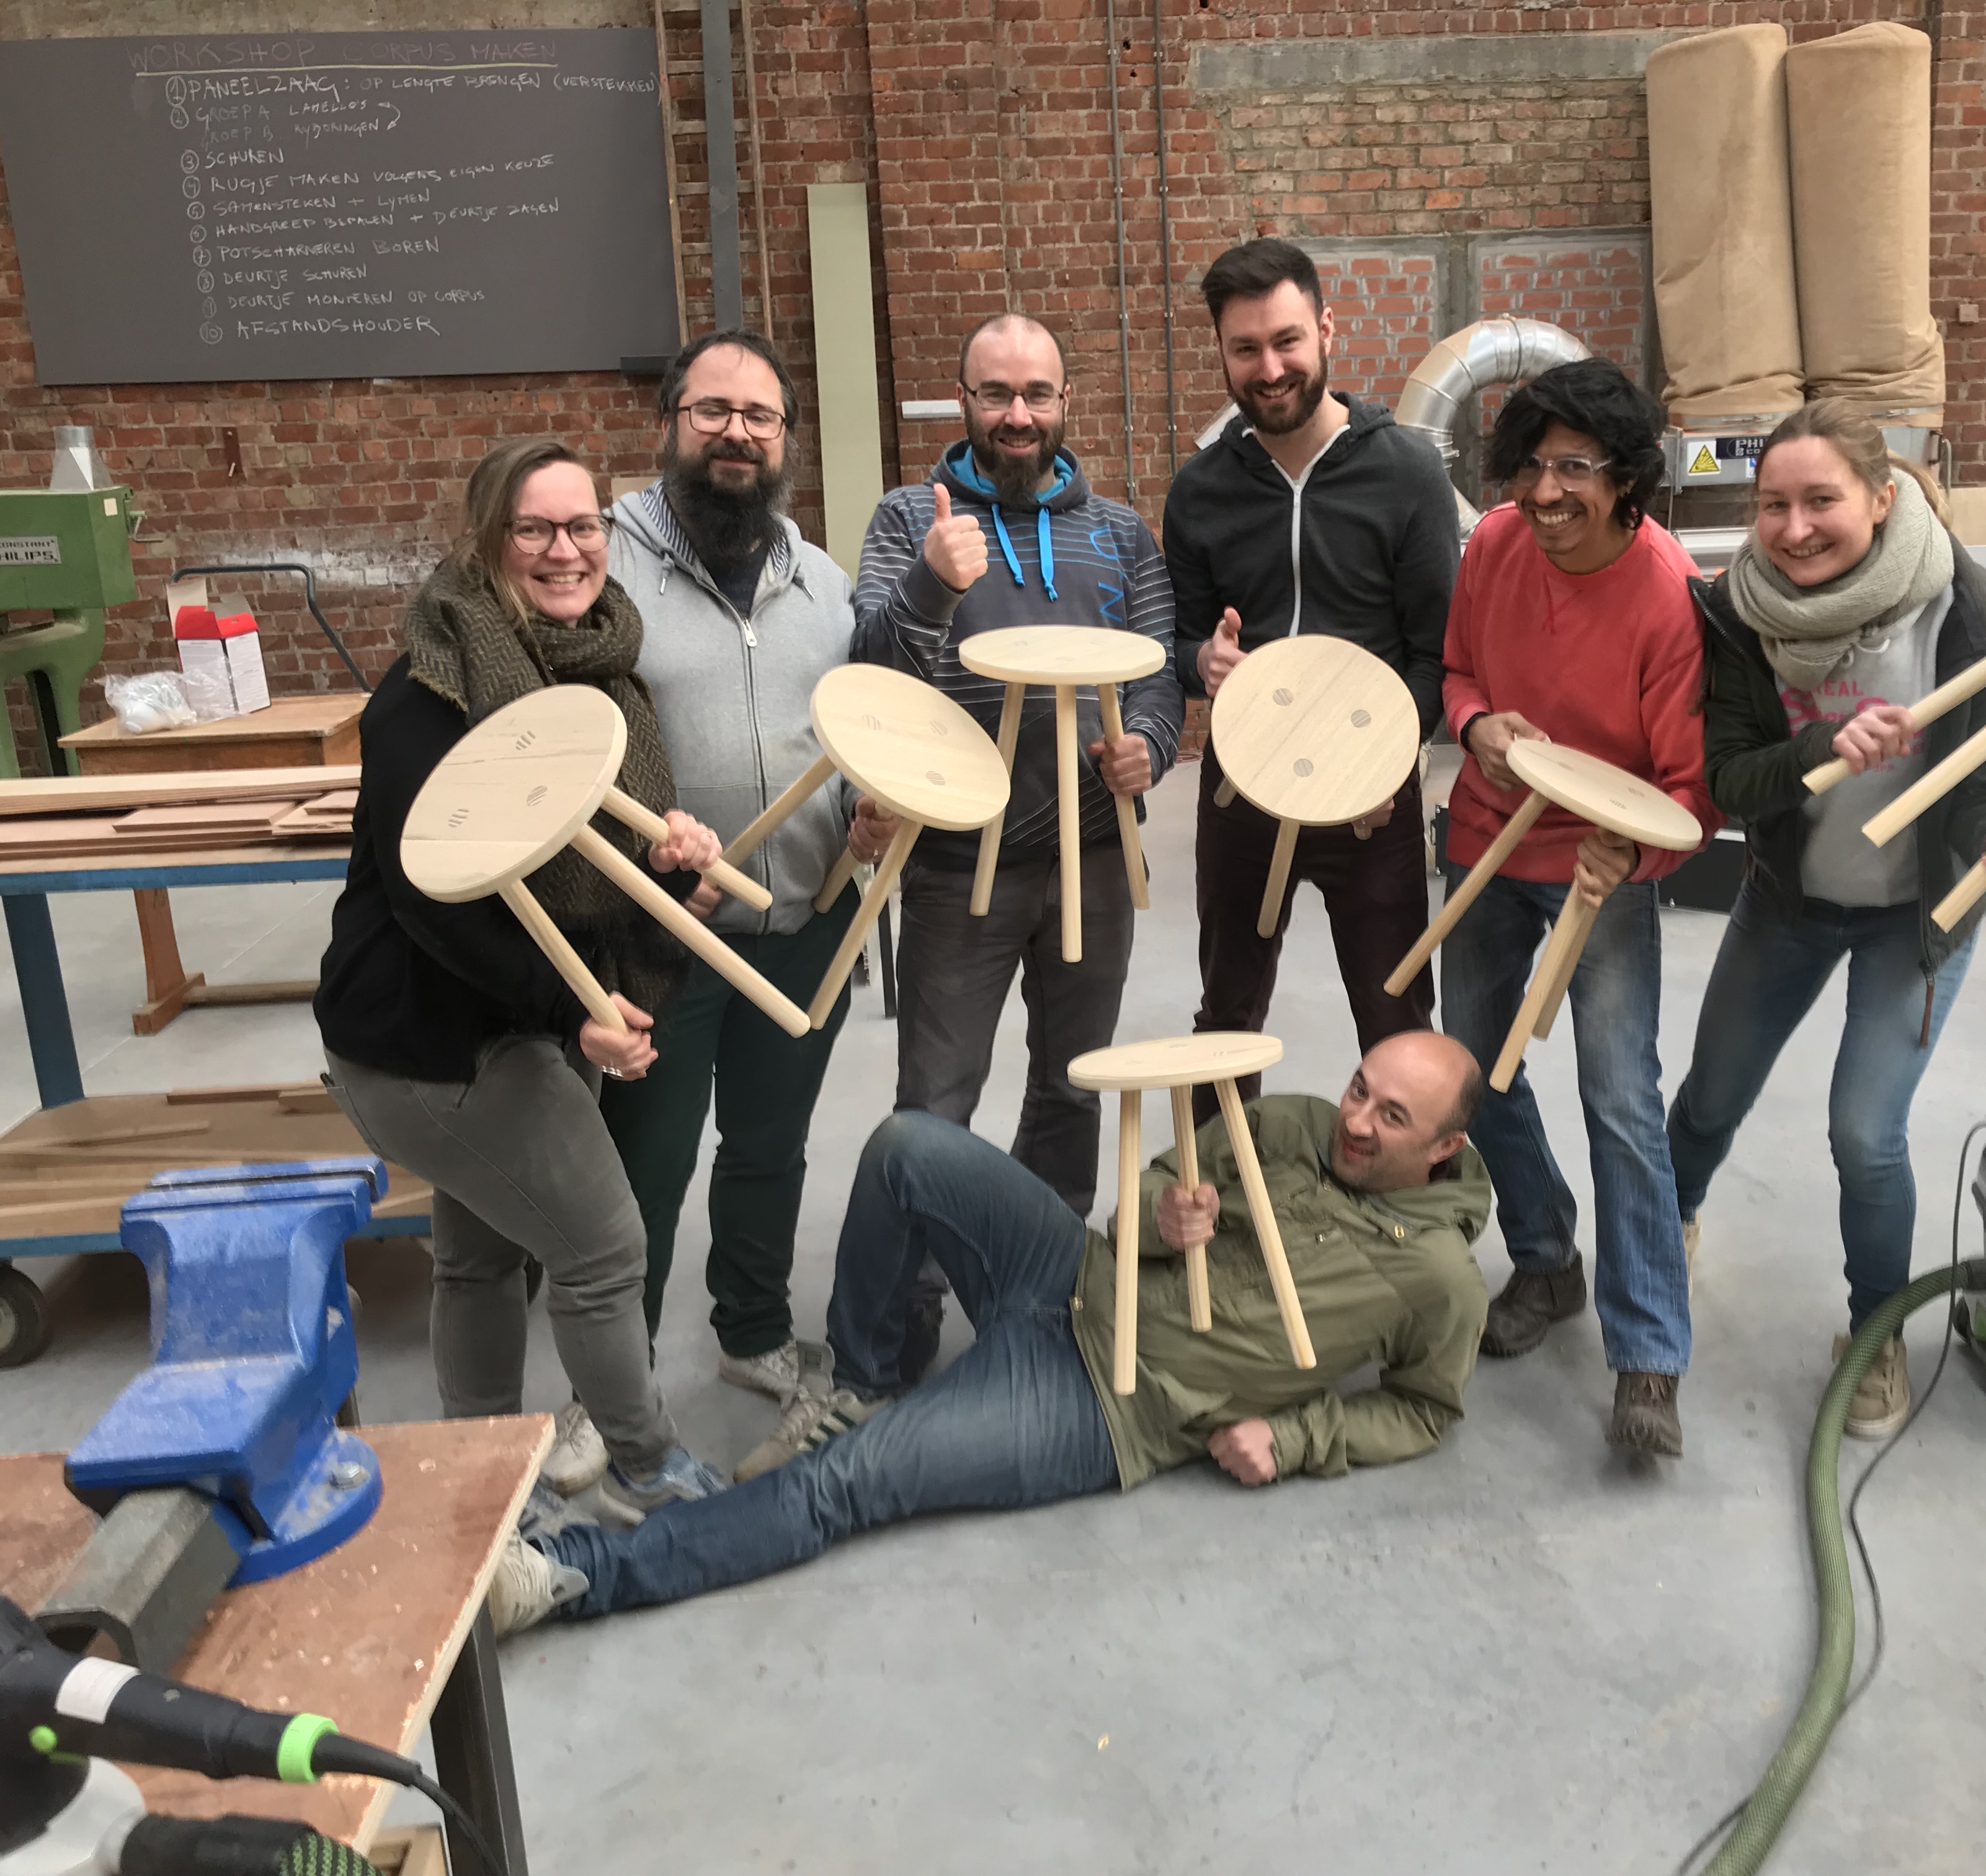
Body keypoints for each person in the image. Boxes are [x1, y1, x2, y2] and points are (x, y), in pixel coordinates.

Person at [483, 1033, 1494, 1633]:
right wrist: (1162, 1216)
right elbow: (1150, 1189)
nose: (1356, 1120)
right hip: (1071, 1272)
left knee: (841, 1486)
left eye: (1392, 1118)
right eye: (1360, 1088)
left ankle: (573, 1577)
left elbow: (1424, 1409)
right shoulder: (1294, 1125)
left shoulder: (1438, 1278)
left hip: (1105, 1401)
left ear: (1446, 1147)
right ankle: (866, 1378)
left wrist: (1298, 1438)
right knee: (907, 1147)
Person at [315, 437, 727, 1527]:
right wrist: (566, 1014)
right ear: (487, 540)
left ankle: (480, 1475)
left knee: (480, 1260)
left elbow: (578, 871)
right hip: (428, 1040)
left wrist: (668, 875)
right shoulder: (430, 690)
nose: (564, 550)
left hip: (512, 1021)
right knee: (603, 1249)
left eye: (584, 525)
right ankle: (646, 1466)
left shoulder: (600, 670)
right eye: (533, 529)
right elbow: (435, 902)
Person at [1666, 400, 1986, 1439]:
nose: (1794, 529)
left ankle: (1875, 1336)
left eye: (1821, 501)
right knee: (1709, 1097)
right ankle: (1670, 1227)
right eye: (1772, 505)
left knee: (1865, 1135)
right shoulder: (1738, 612)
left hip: (1913, 917)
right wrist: (1822, 751)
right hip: (1789, 899)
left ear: (1882, 499)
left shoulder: (1970, 617)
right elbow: (1732, 781)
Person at [571, 331, 893, 1496]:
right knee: (645, 1162)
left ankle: (752, 1330)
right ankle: (611, 1390)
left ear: (786, 438)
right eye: (712, 411)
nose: (736, 434)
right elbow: (566, 741)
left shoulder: (823, 583)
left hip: (805, 915)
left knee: (769, 1145)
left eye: (759, 416)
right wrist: (638, 857)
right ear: (669, 422)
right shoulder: (607, 563)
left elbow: (844, 727)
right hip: (661, 929)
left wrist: (862, 811)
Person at [852, 312, 1182, 1381]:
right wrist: (932, 582)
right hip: (959, 861)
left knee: (1072, 1086)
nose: (1018, 414)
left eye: (1037, 393)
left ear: (1065, 401)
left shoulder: (1121, 533)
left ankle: (1041, 1288)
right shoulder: (912, 517)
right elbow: (869, 672)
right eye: (995, 393)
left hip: (1097, 858)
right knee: (935, 1105)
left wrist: (1150, 747)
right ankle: (904, 1312)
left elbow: (1160, 669)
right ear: (964, 402)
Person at [1433, 359, 1717, 1459]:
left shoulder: (1668, 595)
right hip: (1487, 837)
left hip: (1607, 866)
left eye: (1575, 470)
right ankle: (1545, 1258)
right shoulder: (1496, 545)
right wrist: (1478, 727)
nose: (1545, 494)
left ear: (1628, 477)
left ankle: (1649, 1354)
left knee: (1618, 1095)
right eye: (1531, 467)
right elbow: (1459, 673)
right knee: (1473, 1066)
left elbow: (1690, 790)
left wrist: (1631, 846)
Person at [1163, 239, 1463, 1114]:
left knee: (1397, 1016)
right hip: (1242, 793)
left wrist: (1383, 763)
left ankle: (1411, 1192)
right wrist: (1202, 660)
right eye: (1246, 348)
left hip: (1371, 803)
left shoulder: (1405, 472)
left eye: (1287, 340)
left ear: (1327, 329)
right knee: (1227, 1013)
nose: (1270, 368)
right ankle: (1220, 1183)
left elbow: (1435, 654)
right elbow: (1178, 641)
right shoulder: (1200, 491)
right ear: (1221, 352)